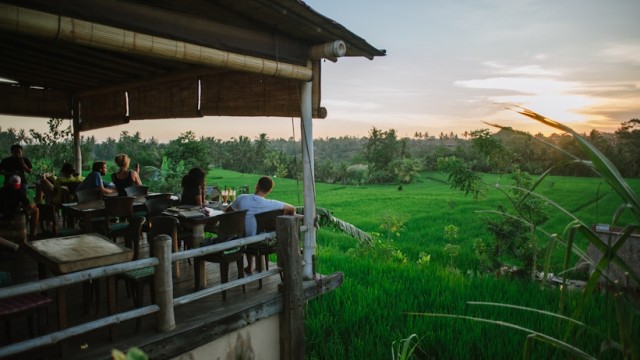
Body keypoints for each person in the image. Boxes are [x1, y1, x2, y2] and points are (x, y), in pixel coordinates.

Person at [226, 176, 295, 273]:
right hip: (264, 241)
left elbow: (228, 211)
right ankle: (251, 266)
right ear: (269, 190)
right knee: (252, 231)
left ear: (257, 186)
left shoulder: (242, 198)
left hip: (244, 239)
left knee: (246, 231)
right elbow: (292, 209)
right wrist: (286, 214)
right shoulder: (270, 204)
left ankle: (249, 266)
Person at [0, 175, 39, 240]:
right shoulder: (18, 192)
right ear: (19, 184)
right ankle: (32, 234)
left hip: (2, 214)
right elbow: (28, 206)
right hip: (12, 215)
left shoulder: (2, 190)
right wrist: (34, 203)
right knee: (36, 210)